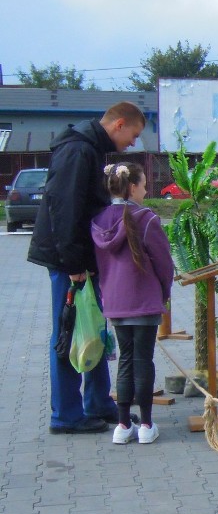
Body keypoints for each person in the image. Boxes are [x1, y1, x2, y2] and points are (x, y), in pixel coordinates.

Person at [28, 102, 146, 434]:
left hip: (83, 260)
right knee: (69, 333)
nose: (134, 143)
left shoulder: (90, 148)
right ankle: (65, 415)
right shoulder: (77, 150)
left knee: (94, 329)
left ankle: (98, 403)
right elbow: (64, 209)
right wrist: (75, 265)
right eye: (133, 135)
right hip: (69, 261)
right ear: (119, 124)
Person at [92, 162, 173, 444]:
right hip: (144, 300)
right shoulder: (146, 218)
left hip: (115, 302)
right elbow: (164, 263)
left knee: (125, 361)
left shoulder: (99, 220)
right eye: (143, 184)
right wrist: (164, 292)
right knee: (143, 360)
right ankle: (147, 425)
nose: (147, 189)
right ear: (132, 187)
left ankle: (123, 425)